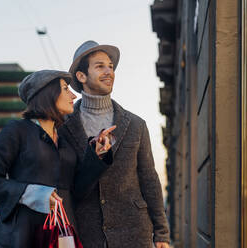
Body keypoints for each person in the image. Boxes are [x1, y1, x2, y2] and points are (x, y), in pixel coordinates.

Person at [0, 70, 115, 248]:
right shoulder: (17, 130)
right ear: (47, 93)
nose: (73, 95)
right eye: (66, 89)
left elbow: (77, 190)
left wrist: (96, 156)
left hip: (63, 234)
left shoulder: (65, 141)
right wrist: (32, 193)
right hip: (23, 236)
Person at [59, 41, 171, 248]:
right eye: (100, 66)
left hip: (134, 231)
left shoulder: (136, 125)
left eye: (111, 66)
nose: (109, 71)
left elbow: (149, 178)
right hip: (86, 232)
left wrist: (162, 233)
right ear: (81, 76)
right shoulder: (63, 126)